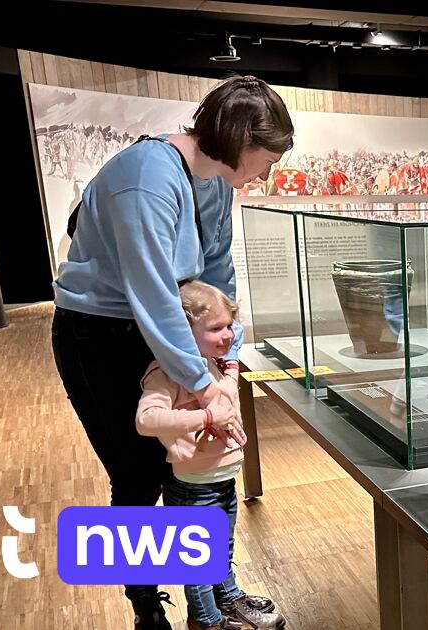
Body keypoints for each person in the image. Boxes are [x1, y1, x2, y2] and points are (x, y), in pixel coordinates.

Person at [51, 75, 294, 630]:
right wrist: (204, 388)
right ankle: (147, 610)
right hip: (100, 337)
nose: (265, 174)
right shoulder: (146, 177)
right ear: (240, 140)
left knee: (190, 474)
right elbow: (152, 293)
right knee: (136, 476)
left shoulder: (215, 182)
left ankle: (212, 600)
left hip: (164, 328)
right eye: (266, 159)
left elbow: (216, 275)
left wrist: (224, 353)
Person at [136, 281, 286, 630]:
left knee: (222, 548)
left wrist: (230, 372)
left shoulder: (211, 365)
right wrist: (204, 417)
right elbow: (147, 419)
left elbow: (224, 400)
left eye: (229, 325)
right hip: (194, 488)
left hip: (221, 481)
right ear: (181, 331)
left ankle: (228, 597)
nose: (228, 335)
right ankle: (207, 620)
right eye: (216, 328)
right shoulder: (165, 373)